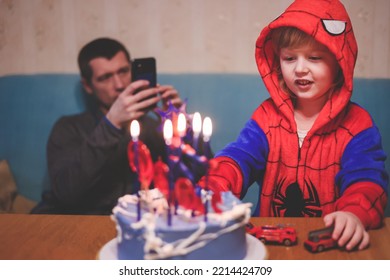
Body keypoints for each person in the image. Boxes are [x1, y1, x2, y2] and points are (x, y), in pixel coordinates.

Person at [201, 0, 388, 251]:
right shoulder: (266, 117)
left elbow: (366, 179)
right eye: (289, 58)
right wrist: (213, 187)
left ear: (339, 63)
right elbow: (238, 158)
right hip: (269, 246)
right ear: (278, 62)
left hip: (332, 245)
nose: (300, 69)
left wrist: (354, 213)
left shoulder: (358, 125)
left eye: (314, 57)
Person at [31, 37, 182, 215]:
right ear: (88, 86)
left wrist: (181, 130)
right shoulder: (69, 127)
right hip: (81, 221)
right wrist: (111, 124)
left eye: (124, 71)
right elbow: (65, 193)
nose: (119, 85)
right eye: (105, 78)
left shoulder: (152, 128)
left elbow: (198, 181)